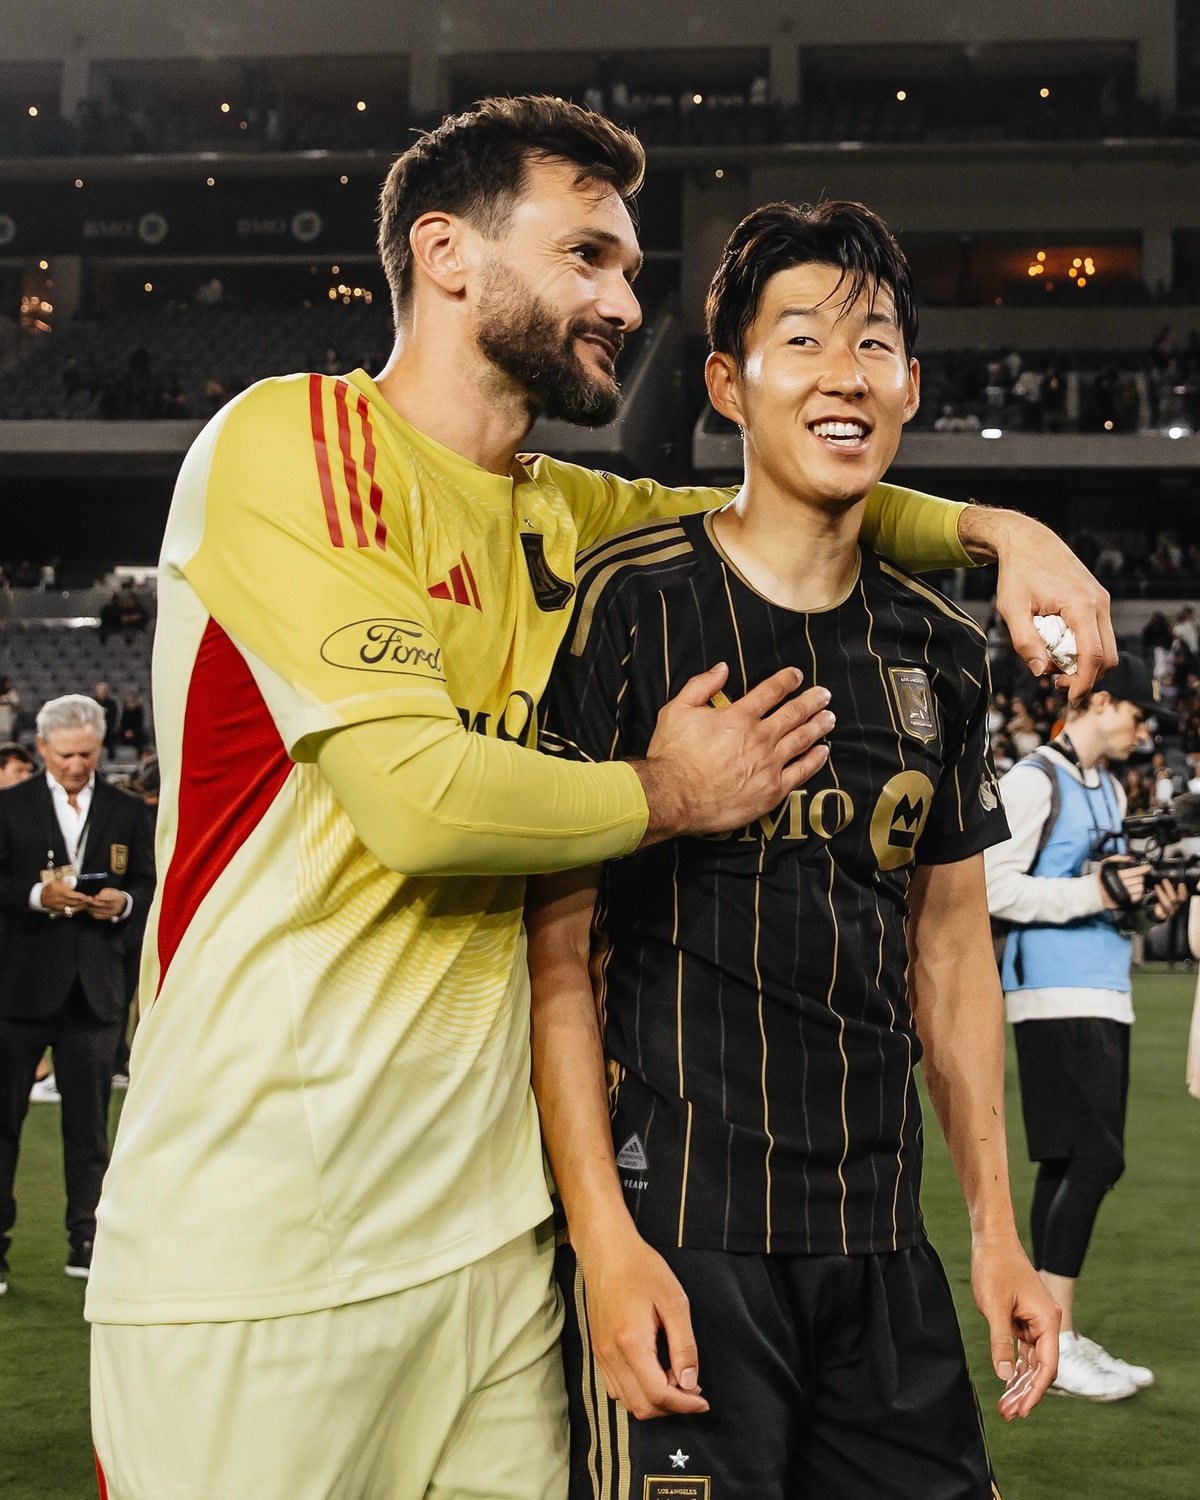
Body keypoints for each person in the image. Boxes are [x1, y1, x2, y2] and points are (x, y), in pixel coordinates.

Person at [87, 98, 1109, 1500]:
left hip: (502, 1250)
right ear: (446, 254)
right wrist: (668, 789)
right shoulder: (302, 441)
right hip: (264, 1235)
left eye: (629, 268)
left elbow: (796, 501)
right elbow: (420, 802)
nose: (627, 301)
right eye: (588, 256)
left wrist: (1000, 529)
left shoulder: (564, 514)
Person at [528, 200, 1058, 1500]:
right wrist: (604, 1241)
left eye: (874, 345)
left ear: (910, 386)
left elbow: (951, 954)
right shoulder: (632, 606)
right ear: (729, 384)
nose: (845, 375)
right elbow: (556, 957)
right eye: (805, 339)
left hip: (881, 1245)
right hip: (684, 1238)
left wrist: (995, 1232)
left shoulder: (944, 651)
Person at [985, 654, 1185, 1400]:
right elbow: (991, 885)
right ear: (1099, 703)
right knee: (1096, 1162)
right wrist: (1095, 893)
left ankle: (1052, 1336)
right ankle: (1058, 1339)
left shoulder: (1109, 787)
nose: (1144, 730)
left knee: (1069, 1162)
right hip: (1053, 990)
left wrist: (1140, 906)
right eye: (1137, 714)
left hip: (1102, 988)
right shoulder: (1036, 779)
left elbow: (1104, 896)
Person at [0, 696, 155, 1298]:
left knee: (89, 1130)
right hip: (17, 989)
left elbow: (147, 881)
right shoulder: (8, 806)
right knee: (2, 1125)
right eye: (65, 754)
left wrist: (126, 903)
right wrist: (37, 897)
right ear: (42, 748)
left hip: (95, 990)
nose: (76, 765)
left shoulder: (126, 810)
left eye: (87, 754)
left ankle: (88, 1242)